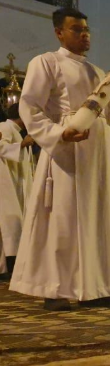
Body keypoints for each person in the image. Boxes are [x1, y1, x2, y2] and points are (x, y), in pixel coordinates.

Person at [10, 7, 110, 311]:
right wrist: (57, 133)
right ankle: (58, 287)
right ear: (59, 33)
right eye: (76, 29)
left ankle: (101, 285)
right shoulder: (46, 62)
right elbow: (30, 107)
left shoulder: (97, 71)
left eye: (86, 29)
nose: (84, 34)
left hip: (96, 152)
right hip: (67, 150)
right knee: (64, 218)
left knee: (99, 216)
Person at [0, 104, 35, 277]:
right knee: (9, 223)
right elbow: (1, 147)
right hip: (6, 183)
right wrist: (22, 144)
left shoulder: (13, 130)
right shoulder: (4, 127)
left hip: (15, 183)